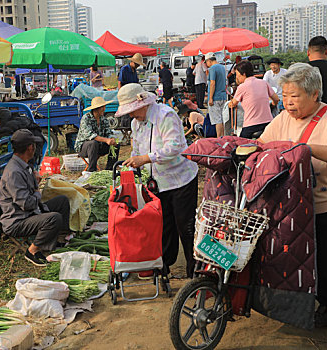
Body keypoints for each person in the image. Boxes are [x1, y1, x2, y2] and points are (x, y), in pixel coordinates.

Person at [258, 63, 327, 350]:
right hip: (299, 208)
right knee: (311, 263)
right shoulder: (283, 119)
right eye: (284, 96)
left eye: (294, 96)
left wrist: (307, 150)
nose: (288, 102)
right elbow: (264, 143)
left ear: (315, 94)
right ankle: (325, 308)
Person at [117, 83, 199, 278]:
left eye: (133, 111)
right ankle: (164, 265)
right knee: (164, 224)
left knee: (185, 226)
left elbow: (175, 148)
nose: (131, 116)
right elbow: (136, 149)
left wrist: (146, 158)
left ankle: (194, 271)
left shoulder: (165, 115)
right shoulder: (136, 123)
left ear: (143, 103)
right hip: (158, 182)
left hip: (181, 180)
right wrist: (133, 163)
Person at [0, 129, 71, 266]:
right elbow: (27, 204)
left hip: (30, 212)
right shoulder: (14, 172)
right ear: (30, 148)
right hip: (17, 220)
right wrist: (38, 190)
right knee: (53, 218)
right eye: (34, 145)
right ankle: (32, 251)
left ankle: (58, 240)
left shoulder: (24, 164)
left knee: (62, 201)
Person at [228, 60, 279, 138]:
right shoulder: (263, 83)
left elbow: (233, 104)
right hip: (268, 123)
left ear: (244, 74)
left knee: (241, 145)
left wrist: (230, 103)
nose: (237, 77)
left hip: (251, 125)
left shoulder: (242, 87)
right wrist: (272, 105)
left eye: (237, 75)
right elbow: (276, 99)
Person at [74, 97, 119, 172]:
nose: (104, 109)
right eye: (102, 107)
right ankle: (92, 170)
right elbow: (90, 135)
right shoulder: (86, 118)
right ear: (97, 108)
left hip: (99, 146)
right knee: (93, 143)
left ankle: (110, 169)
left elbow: (108, 133)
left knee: (116, 145)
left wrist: (111, 139)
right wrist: (106, 140)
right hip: (84, 148)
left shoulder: (103, 119)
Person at [205, 52, 227, 137]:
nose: (207, 64)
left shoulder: (212, 68)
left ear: (209, 61)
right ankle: (223, 137)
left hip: (215, 97)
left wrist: (210, 98)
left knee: (217, 120)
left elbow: (212, 83)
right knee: (223, 119)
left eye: (206, 62)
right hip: (223, 96)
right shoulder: (222, 67)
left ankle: (219, 138)